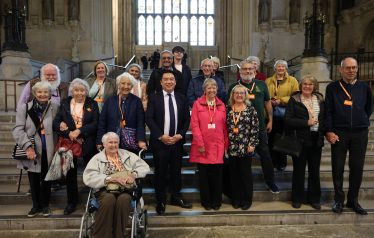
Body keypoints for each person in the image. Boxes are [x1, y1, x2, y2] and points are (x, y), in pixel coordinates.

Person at [325, 57, 372, 215]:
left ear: (357, 68)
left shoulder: (364, 86)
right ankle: (339, 200)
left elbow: (368, 108)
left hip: (360, 132)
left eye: (353, 68)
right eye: (347, 68)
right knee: (337, 167)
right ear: (341, 70)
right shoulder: (332, 88)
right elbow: (328, 111)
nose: (351, 70)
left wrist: (361, 120)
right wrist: (329, 131)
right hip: (339, 132)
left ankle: (353, 200)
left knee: (357, 168)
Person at [83, 132, 150, 238]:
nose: (113, 145)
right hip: (105, 190)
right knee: (108, 200)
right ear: (104, 144)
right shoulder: (97, 158)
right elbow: (88, 177)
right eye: (110, 142)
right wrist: (109, 179)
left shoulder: (127, 155)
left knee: (123, 200)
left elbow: (145, 167)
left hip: (125, 189)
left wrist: (134, 174)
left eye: (115, 142)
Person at [227, 59, 279, 194]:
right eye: (244, 69)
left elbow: (268, 103)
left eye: (250, 69)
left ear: (254, 70)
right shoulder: (234, 86)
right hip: (239, 130)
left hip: (260, 126)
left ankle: (270, 181)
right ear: (240, 71)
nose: (247, 71)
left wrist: (270, 120)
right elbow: (228, 106)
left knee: (265, 154)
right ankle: (238, 186)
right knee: (240, 159)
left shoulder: (261, 84)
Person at [16, 63, 69, 191]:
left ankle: (54, 179)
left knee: (53, 156)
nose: (51, 77)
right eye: (48, 74)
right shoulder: (32, 84)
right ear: (42, 75)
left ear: (58, 75)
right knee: (38, 156)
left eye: (53, 74)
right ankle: (36, 183)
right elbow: (22, 103)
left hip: (55, 127)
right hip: (35, 125)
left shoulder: (65, 86)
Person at [146, 70, 192, 215]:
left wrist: (180, 135)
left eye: (171, 79)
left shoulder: (182, 98)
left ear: (175, 81)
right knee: (159, 172)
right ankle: (161, 200)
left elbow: (186, 120)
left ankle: (176, 197)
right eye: (165, 79)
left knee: (176, 172)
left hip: (177, 142)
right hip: (160, 143)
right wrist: (161, 136)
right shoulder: (153, 98)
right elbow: (149, 119)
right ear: (161, 82)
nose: (169, 81)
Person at [52, 78, 100, 215]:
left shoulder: (92, 103)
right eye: (77, 90)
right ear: (72, 91)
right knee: (70, 176)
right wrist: (69, 132)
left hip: (88, 143)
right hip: (69, 144)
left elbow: (95, 124)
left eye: (83, 90)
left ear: (86, 91)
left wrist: (79, 131)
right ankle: (71, 202)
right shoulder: (65, 103)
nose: (80, 93)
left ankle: (94, 201)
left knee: (92, 172)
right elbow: (56, 123)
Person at [12, 82, 59, 217]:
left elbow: (58, 124)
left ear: (50, 94)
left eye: (46, 92)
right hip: (32, 149)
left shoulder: (55, 107)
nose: (43, 94)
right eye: (39, 92)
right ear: (34, 93)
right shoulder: (24, 108)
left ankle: (45, 205)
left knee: (47, 178)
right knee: (33, 179)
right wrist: (27, 147)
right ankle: (35, 205)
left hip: (49, 149)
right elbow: (18, 130)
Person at [284, 76, 325, 210]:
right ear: (301, 85)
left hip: (316, 139)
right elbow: (288, 120)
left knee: (314, 170)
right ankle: (297, 198)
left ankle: (314, 199)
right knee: (299, 170)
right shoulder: (294, 99)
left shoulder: (320, 99)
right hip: (300, 139)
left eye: (310, 84)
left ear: (315, 86)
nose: (307, 86)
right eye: (305, 84)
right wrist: (305, 123)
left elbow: (324, 118)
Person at [189, 78, 229, 211]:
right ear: (204, 89)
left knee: (217, 177)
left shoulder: (222, 105)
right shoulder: (197, 104)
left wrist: (226, 146)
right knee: (204, 177)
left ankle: (216, 201)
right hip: (203, 146)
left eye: (214, 88)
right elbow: (194, 125)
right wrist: (200, 143)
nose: (212, 90)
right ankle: (206, 201)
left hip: (218, 146)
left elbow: (224, 127)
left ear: (217, 89)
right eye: (209, 88)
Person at [96, 72, 147, 153]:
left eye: (129, 84)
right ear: (118, 85)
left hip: (130, 142)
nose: (126, 87)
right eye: (123, 83)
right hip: (111, 141)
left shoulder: (137, 101)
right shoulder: (110, 100)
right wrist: (100, 140)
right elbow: (102, 122)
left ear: (132, 86)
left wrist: (141, 140)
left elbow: (140, 122)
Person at [226, 85, 259, 210]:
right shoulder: (228, 109)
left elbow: (255, 128)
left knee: (245, 175)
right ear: (233, 95)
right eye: (236, 93)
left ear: (245, 95)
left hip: (246, 147)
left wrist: (252, 144)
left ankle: (246, 199)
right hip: (232, 147)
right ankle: (236, 199)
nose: (239, 95)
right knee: (234, 174)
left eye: (241, 93)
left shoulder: (251, 110)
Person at [265, 60, 299, 171]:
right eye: (278, 66)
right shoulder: (268, 81)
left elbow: (295, 96)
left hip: (284, 113)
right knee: (270, 139)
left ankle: (281, 162)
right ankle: (272, 161)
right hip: (270, 114)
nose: (280, 68)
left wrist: (281, 101)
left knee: (282, 138)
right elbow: (265, 95)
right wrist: (270, 100)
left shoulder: (292, 80)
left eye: (283, 66)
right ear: (275, 68)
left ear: (286, 68)